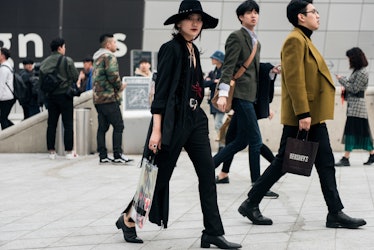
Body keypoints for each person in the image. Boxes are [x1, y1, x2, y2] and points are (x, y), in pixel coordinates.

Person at [115, 1, 242, 248]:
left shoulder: (193, 49)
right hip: (173, 123)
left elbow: (193, 87)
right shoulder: (170, 49)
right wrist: (157, 130)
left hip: (195, 121)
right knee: (159, 177)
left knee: (207, 174)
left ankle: (213, 232)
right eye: (190, 18)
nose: (195, 23)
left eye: (199, 19)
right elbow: (161, 92)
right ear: (179, 23)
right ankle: (128, 218)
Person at [237, 0, 366, 229]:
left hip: (313, 114)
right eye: (313, 12)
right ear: (300, 17)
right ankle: (251, 202)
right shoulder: (294, 40)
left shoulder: (304, 39)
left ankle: (335, 212)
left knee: (325, 162)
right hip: (305, 115)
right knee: (283, 162)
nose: (317, 15)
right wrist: (303, 113)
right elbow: (295, 80)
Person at [213, 1, 279, 193]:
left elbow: (254, 70)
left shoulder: (256, 42)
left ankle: (207, 168)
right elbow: (228, 67)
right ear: (241, 17)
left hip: (250, 96)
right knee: (256, 141)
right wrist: (223, 95)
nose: (253, 15)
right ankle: (258, 186)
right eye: (249, 12)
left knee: (241, 141)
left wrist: (272, 70)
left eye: (256, 12)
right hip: (240, 95)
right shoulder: (236, 37)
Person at [215, 62, 280, 198]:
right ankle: (259, 184)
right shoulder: (242, 44)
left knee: (238, 141)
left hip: (246, 103)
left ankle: (216, 170)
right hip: (244, 102)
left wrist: (271, 71)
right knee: (253, 142)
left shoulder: (254, 48)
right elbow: (242, 69)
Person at [92, 33, 133, 165]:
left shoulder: (97, 57)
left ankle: (103, 156)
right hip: (109, 98)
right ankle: (117, 155)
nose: (116, 45)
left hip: (98, 98)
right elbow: (113, 75)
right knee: (119, 125)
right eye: (115, 43)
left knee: (102, 127)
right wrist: (120, 86)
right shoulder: (109, 56)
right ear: (108, 44)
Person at [39, 38, 79, 160]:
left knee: (51, 124)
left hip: (51, 97)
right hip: (65, 96)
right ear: (60, 48)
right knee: (68, 124)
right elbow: (75, 76)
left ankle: (51, 151)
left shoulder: (44, 63)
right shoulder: (67, 60)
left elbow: (41, 82)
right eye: (64, 47)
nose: (65, 49)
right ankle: (68, 151)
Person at [334, 48, 374, 166]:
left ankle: (346, 158)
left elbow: (354, 88)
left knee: (351, 131)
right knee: (362, 131)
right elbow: (352, 85)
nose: (349, 61)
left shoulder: (362, 72)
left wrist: (341, 80)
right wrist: (344, 80)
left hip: (357, 107)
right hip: (355, 106)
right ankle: (372, 154)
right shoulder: (358, 71)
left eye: (350, 58)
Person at [203, 50, 225, 150]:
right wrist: (213, 81)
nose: (212, 60)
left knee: (218, 124)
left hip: (222, 100)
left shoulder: (224, 72)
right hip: (213, 101)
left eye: (214, 58)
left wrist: (212, 81)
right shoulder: (213, 72)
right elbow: (204, 83)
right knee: (217, 124)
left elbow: (222, 83)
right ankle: (222, 145)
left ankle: (223, 145)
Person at [0, 48, 16, 130]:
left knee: (3, 119)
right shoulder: (8, 66)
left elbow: (1, 85)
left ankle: (8, 136)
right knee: (3, 118)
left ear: (2, 56)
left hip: (5, 98)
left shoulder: (3, 69)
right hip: (8, 97)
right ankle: (15, 129)